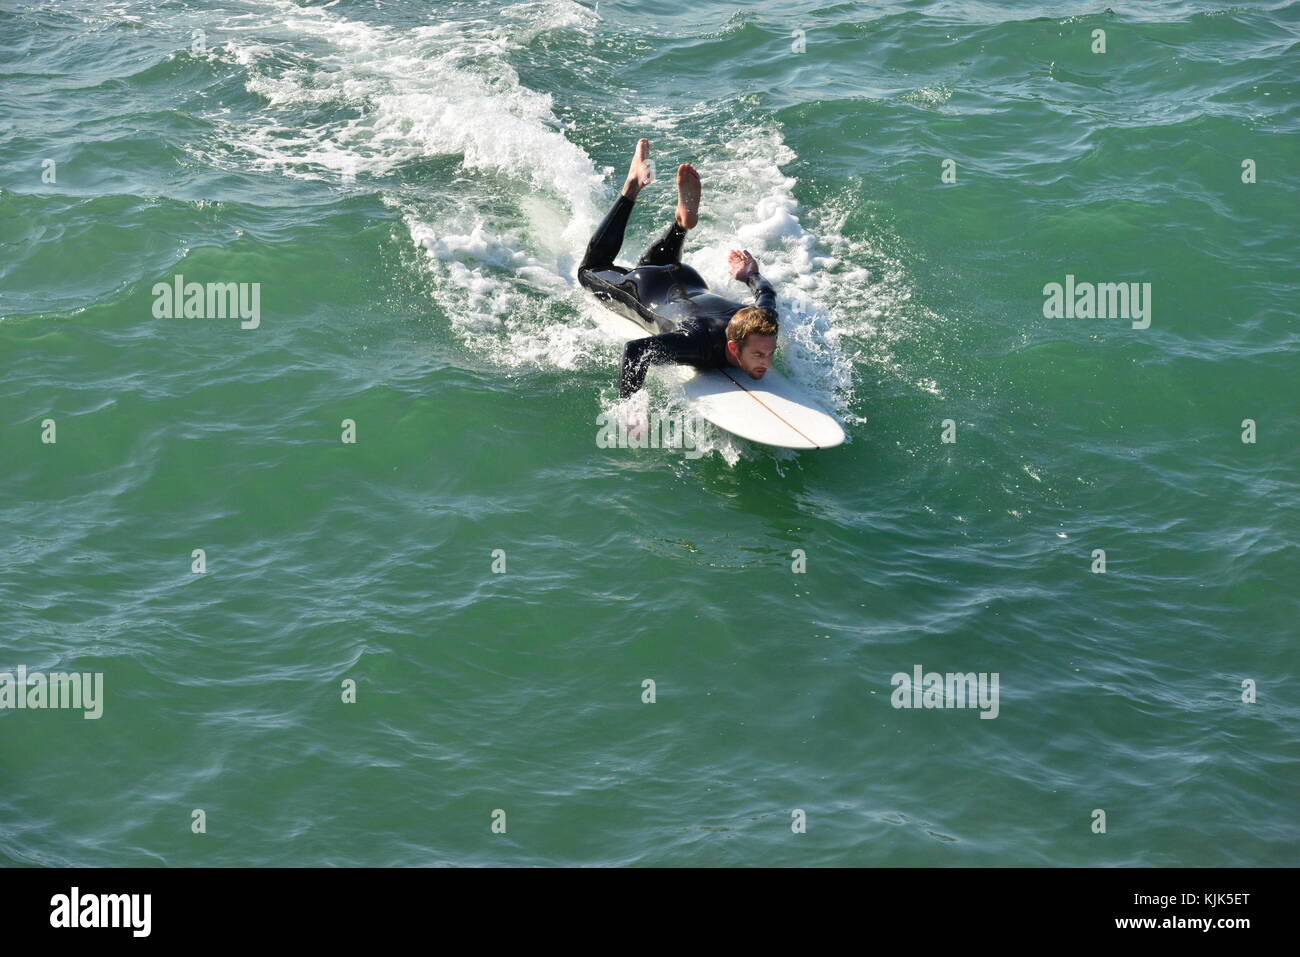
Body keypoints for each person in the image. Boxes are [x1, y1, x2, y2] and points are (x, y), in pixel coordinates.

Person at [578, 139, 779, 399]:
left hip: (684, 276)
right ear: (732, 347)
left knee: (655, 264)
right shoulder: (698, 345)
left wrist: (750, 274)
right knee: (589, 270)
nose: (767, 362)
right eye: (759, 355)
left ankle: (681, 225)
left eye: (769, 353)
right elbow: (636, 351)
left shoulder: (763, 322)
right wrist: (630, 408)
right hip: (644, 287)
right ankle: (632, 188)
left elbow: (766, 295)